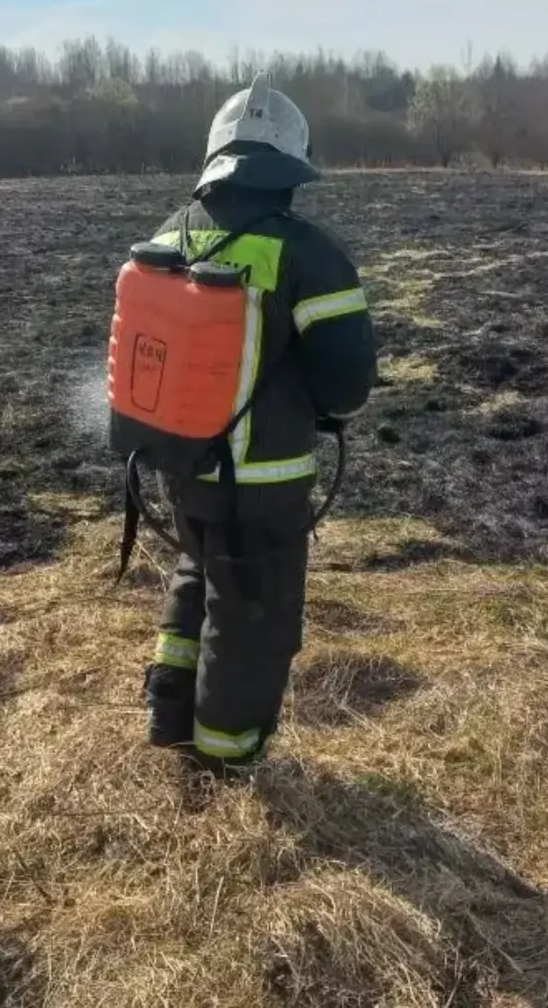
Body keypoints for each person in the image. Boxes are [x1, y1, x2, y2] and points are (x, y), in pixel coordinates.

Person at [140, 75, 376, 773]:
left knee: (199, 573)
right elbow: (348, 388)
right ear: (290, 167)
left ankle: (169, 717)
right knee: (253, 615)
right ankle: (226, 757)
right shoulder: (308, 252)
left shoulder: (170, 234)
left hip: (179, 465)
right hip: (264, 482)